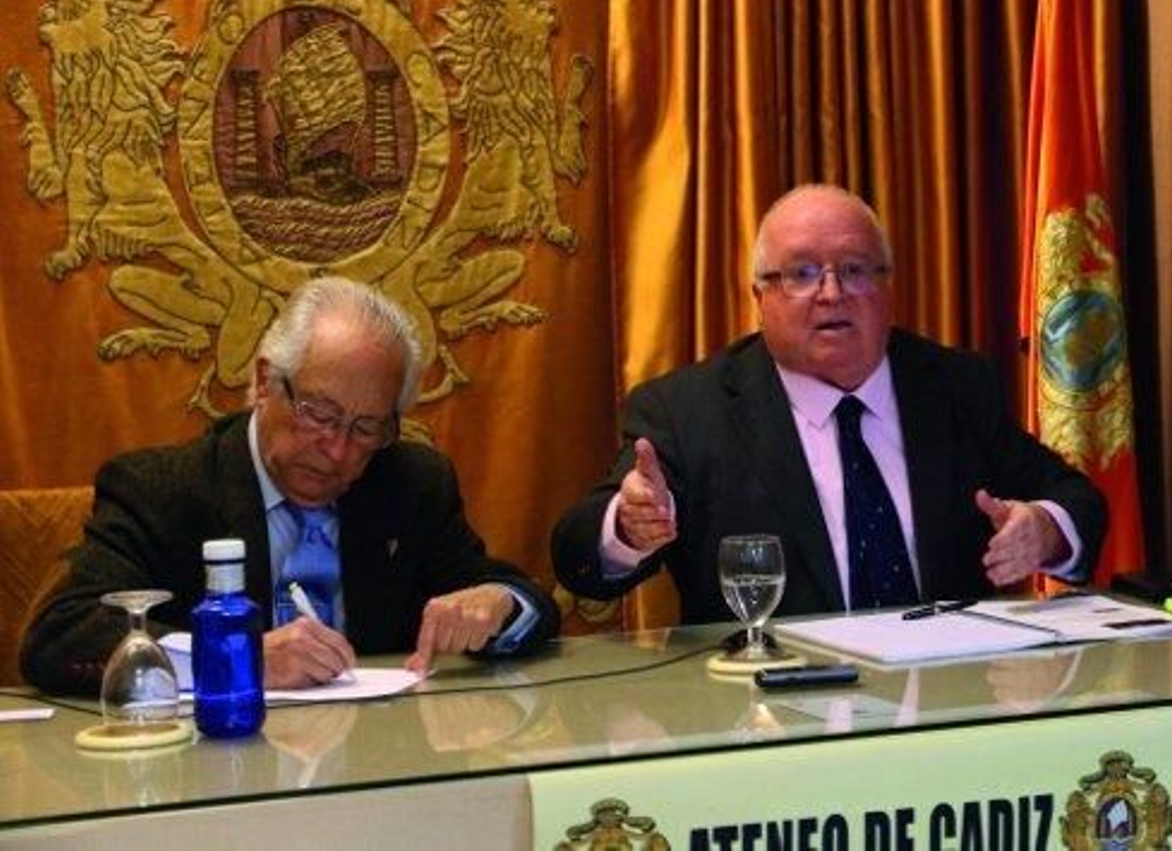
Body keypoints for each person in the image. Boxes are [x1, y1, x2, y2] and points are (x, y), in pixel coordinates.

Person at [553, 185, 1106, 624]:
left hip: (949, 708)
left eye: (855, 269)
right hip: (769, 726)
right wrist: (628, 527)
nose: (832, 292)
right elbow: (578, 555)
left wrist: (1045, 527)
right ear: (759, 297)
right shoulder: (686, 411)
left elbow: (1077, 499)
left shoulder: (952, 385)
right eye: (801, 273)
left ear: (887, 288)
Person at [22, 277, 559, 694]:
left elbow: (519, 600)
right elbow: (61, 636)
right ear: (262, 382)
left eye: (366, 427)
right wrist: (239, 657)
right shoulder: (163, 489)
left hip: (379, 770)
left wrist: (498, 604)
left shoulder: (410, 484)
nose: (338, 450)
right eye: (318, 413)